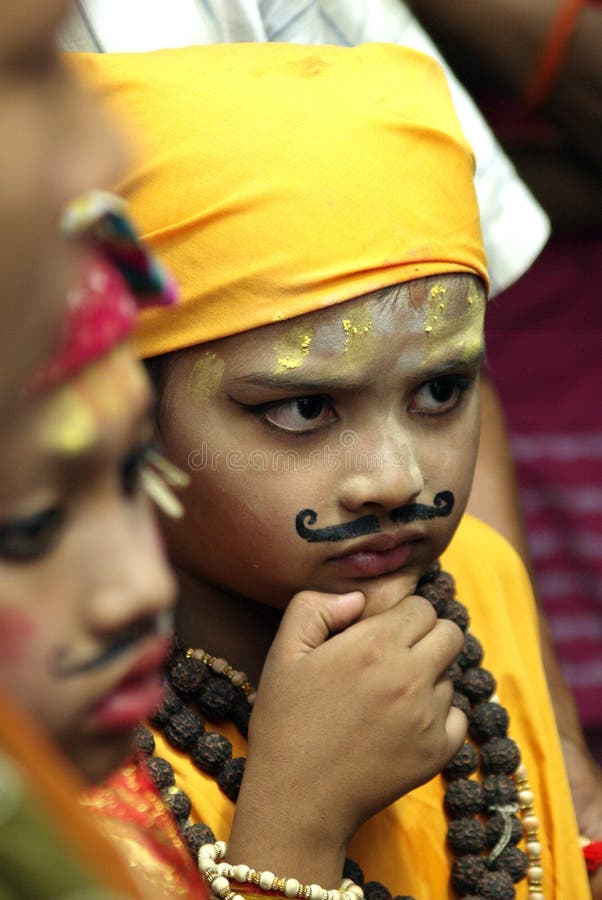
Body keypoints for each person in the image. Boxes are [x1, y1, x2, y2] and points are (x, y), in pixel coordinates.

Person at [59, 0, 602, 863]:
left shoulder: (481, 582)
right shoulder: (56, 734)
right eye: (304, 409)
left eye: (441, 390)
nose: (395, 477)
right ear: (125, 413)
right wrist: (299, 823)